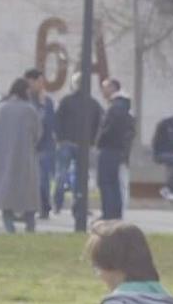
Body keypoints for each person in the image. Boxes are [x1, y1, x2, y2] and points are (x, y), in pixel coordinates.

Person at [0, 77, 43, 234]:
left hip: (2, 155)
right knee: (28, 192)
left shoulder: (1, 108)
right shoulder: (29, 109)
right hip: (24, 155)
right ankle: (30, 224)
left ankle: (9, 225)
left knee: (5, 191)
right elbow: (37, 133)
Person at [54, 72, 101, 213]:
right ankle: (79, 204)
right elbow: (97, 124)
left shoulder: (66, 101)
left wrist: (60, 138)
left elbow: (57, 121)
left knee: (62, 174)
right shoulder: (93, 103)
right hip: (83, 144)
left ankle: (58, 204)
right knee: (81, 177)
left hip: (66, 142)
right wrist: (91, 141)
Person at [95, 82, 136, 222]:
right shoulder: (125, 108)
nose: (103, 90)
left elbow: (109, 129)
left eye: (105, 87)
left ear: (113, 88)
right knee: (114, 183)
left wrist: (99, 140)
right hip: (118, 150)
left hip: (108, 149)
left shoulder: (115, 108)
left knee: (105, 182)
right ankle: (115, 214)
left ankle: (108, 213)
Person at [30, 69, 59, 218]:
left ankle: (44, 207)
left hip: (45, 146)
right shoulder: (28, 100)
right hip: (31, 145)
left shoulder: (47, 101)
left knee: (43, 179)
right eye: (39, 82)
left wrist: (42, 105)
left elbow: (49, 123)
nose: (42, 85)